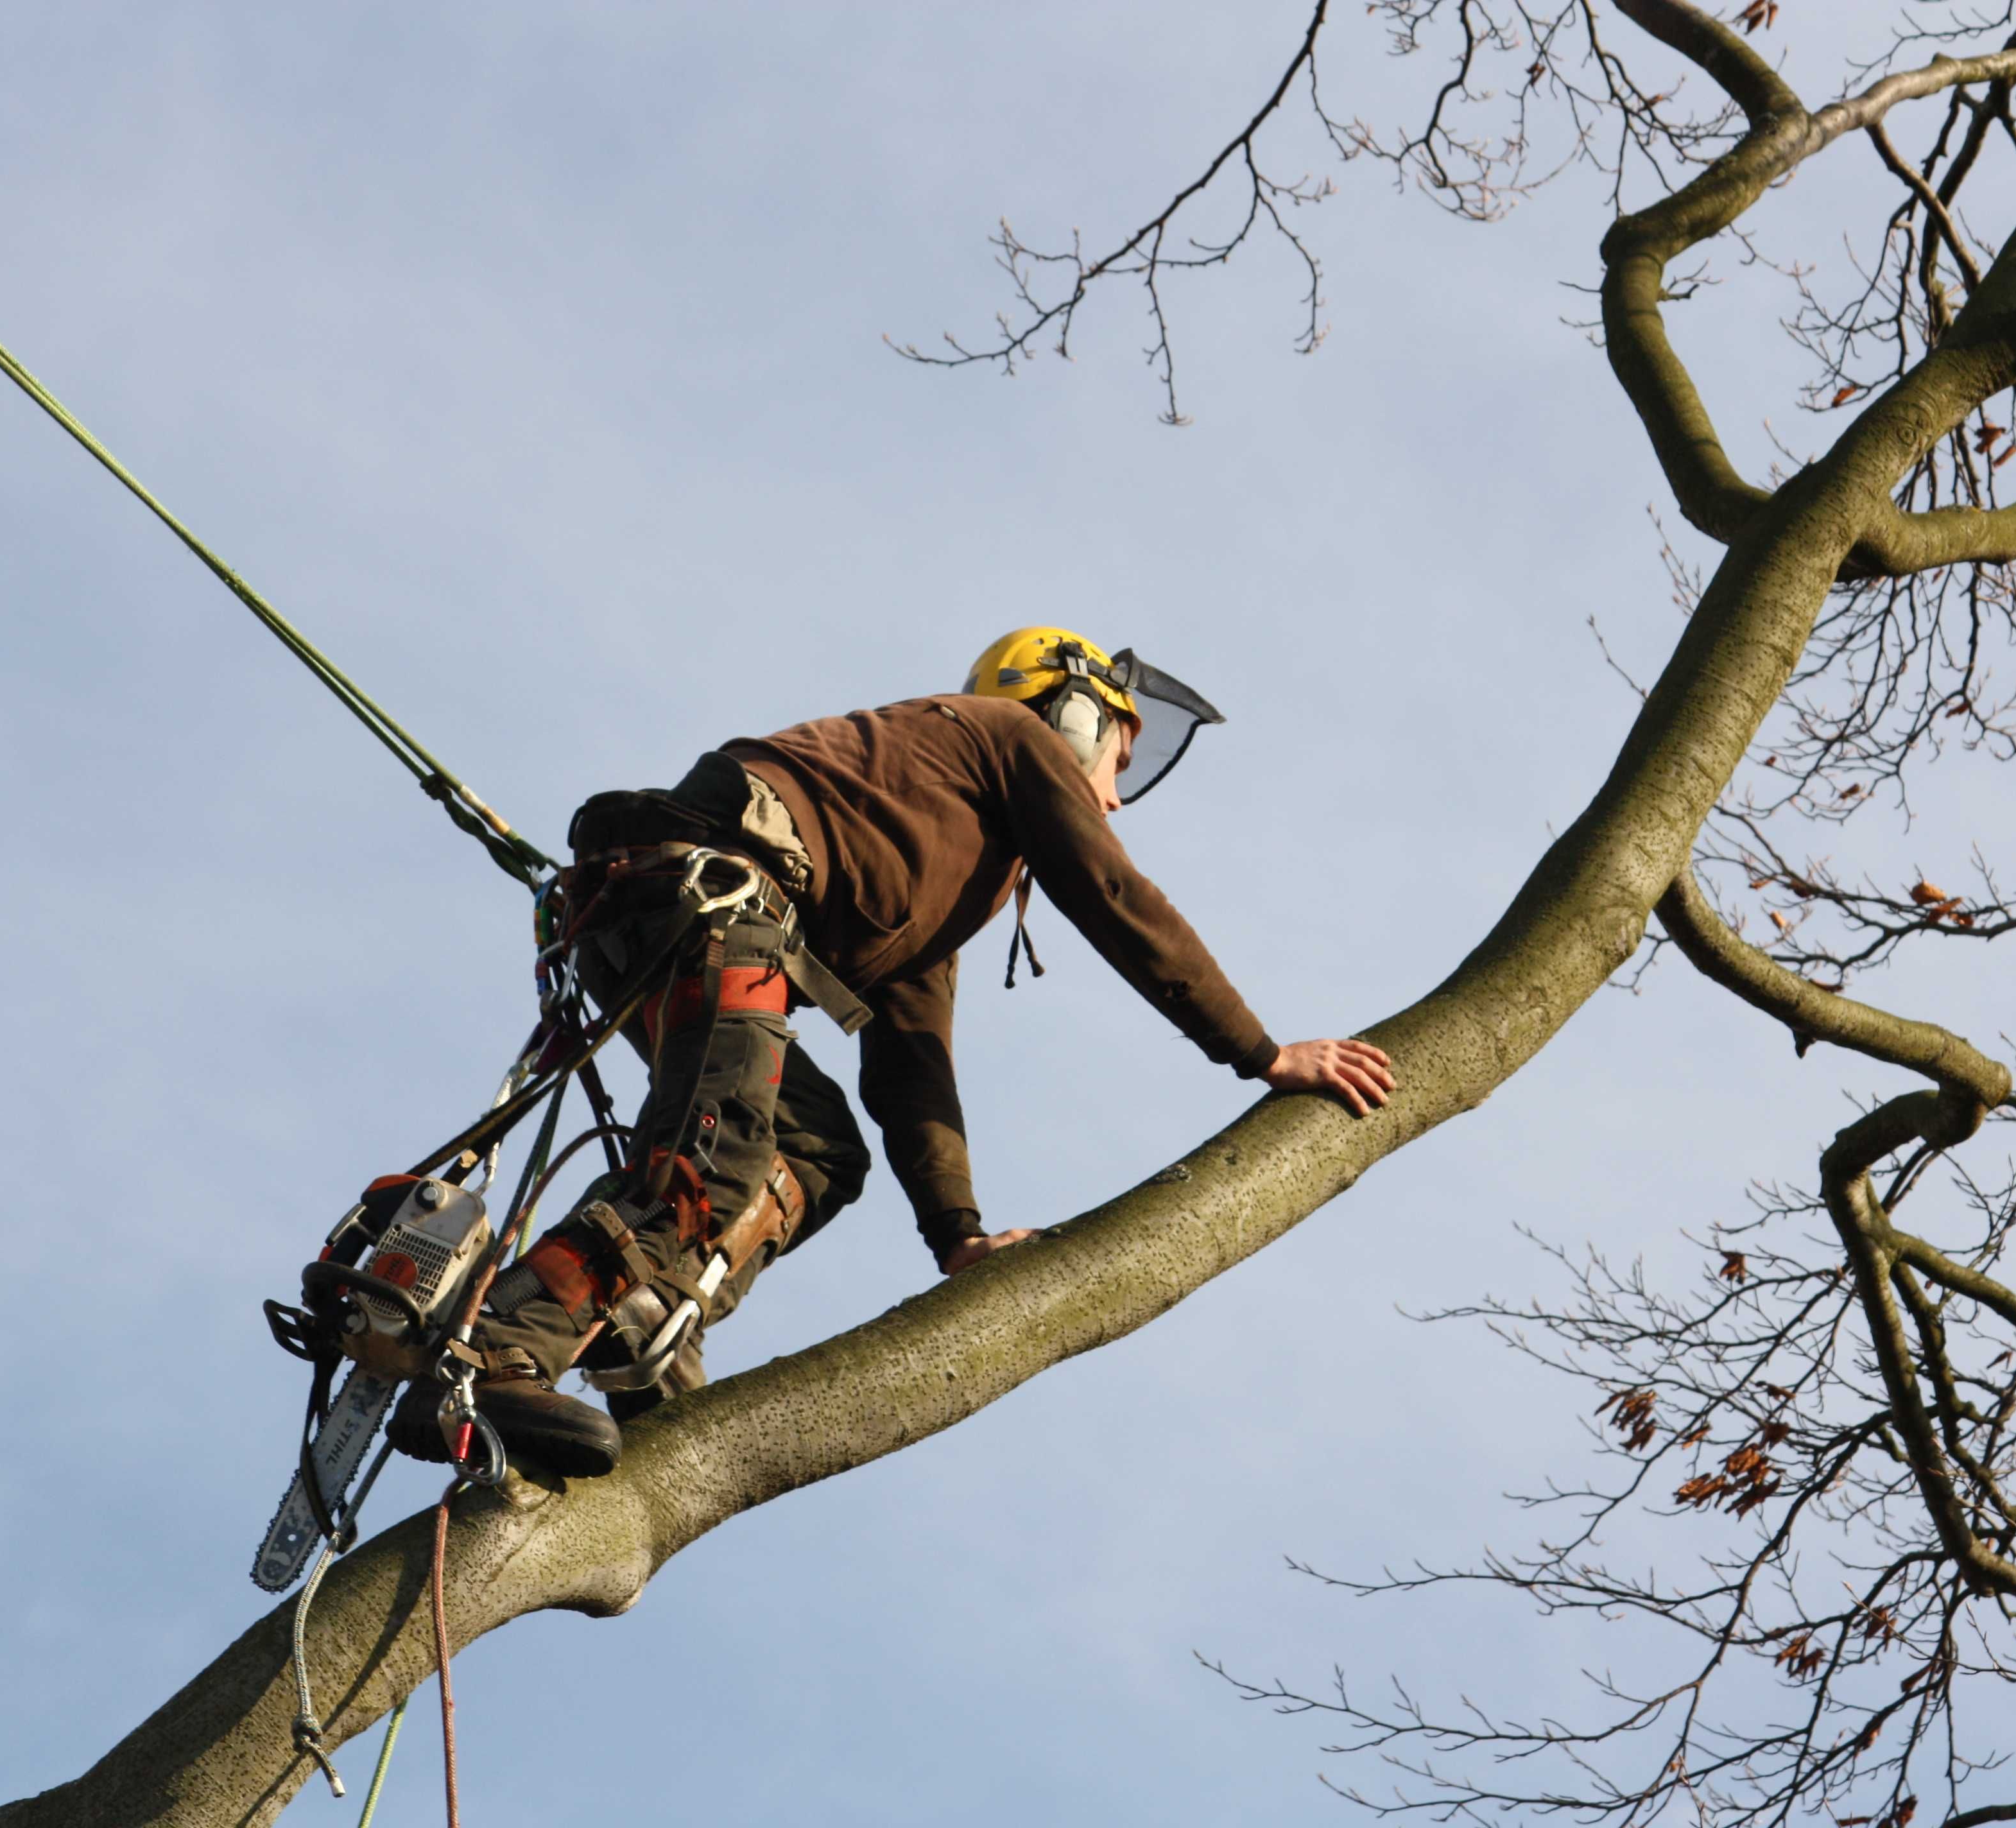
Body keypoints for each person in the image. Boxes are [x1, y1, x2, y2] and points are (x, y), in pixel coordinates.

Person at [387, 627, 1395, 1477]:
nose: (1116, 799)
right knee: (712, 1154)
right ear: (1074, 716)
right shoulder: (1007, 738)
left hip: (672, 915)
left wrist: (956, 1233)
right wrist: (1263, 1055)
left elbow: (913, 1061)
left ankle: (643, 1313)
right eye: (1118, 761)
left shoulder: (929, 843)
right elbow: (1119, 901)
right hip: (712, 900)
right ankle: (493, 1354)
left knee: (819, 1152)